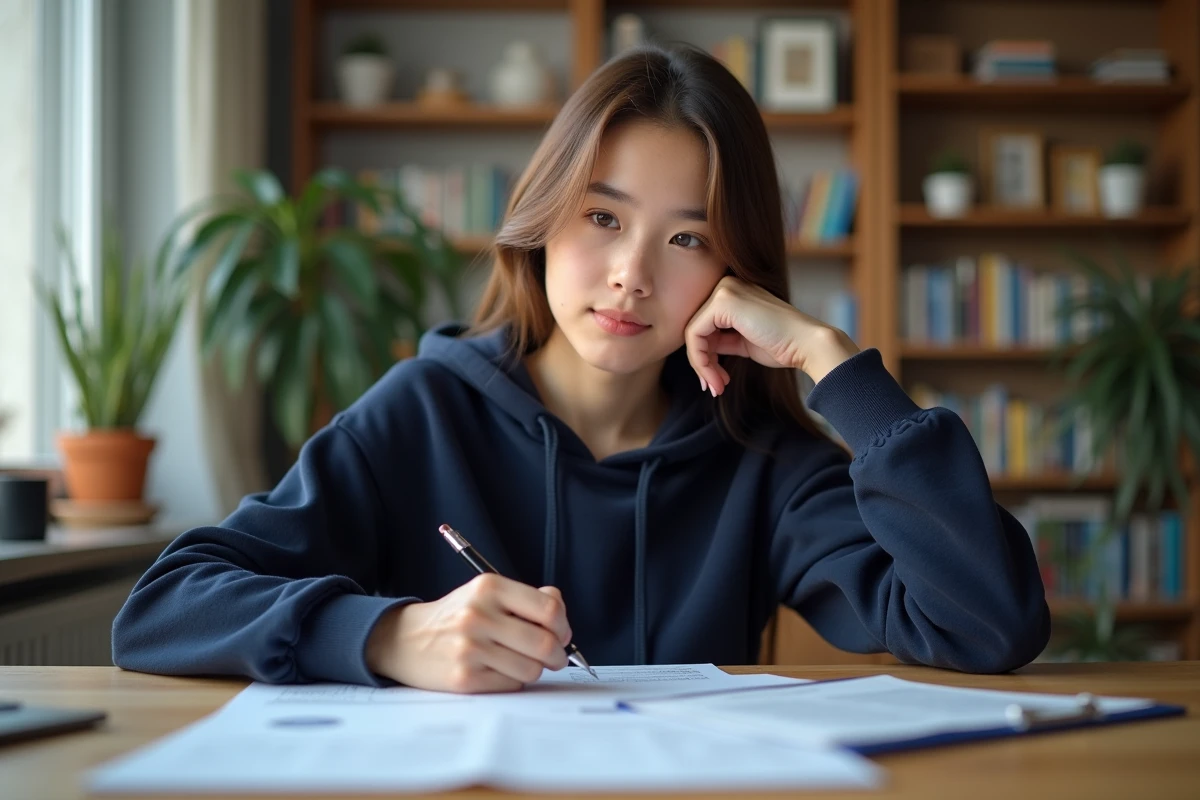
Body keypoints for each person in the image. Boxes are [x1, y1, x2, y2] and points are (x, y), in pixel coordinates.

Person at [112, 44, 1049, 692]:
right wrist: (392, 635)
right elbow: (162, 608)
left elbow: (987, 624)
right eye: (602, 217)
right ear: (544, 215)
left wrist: (833, 362)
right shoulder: (424, 410)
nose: (631, 277)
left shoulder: (760, 463)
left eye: (688, 238)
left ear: (735, 274)